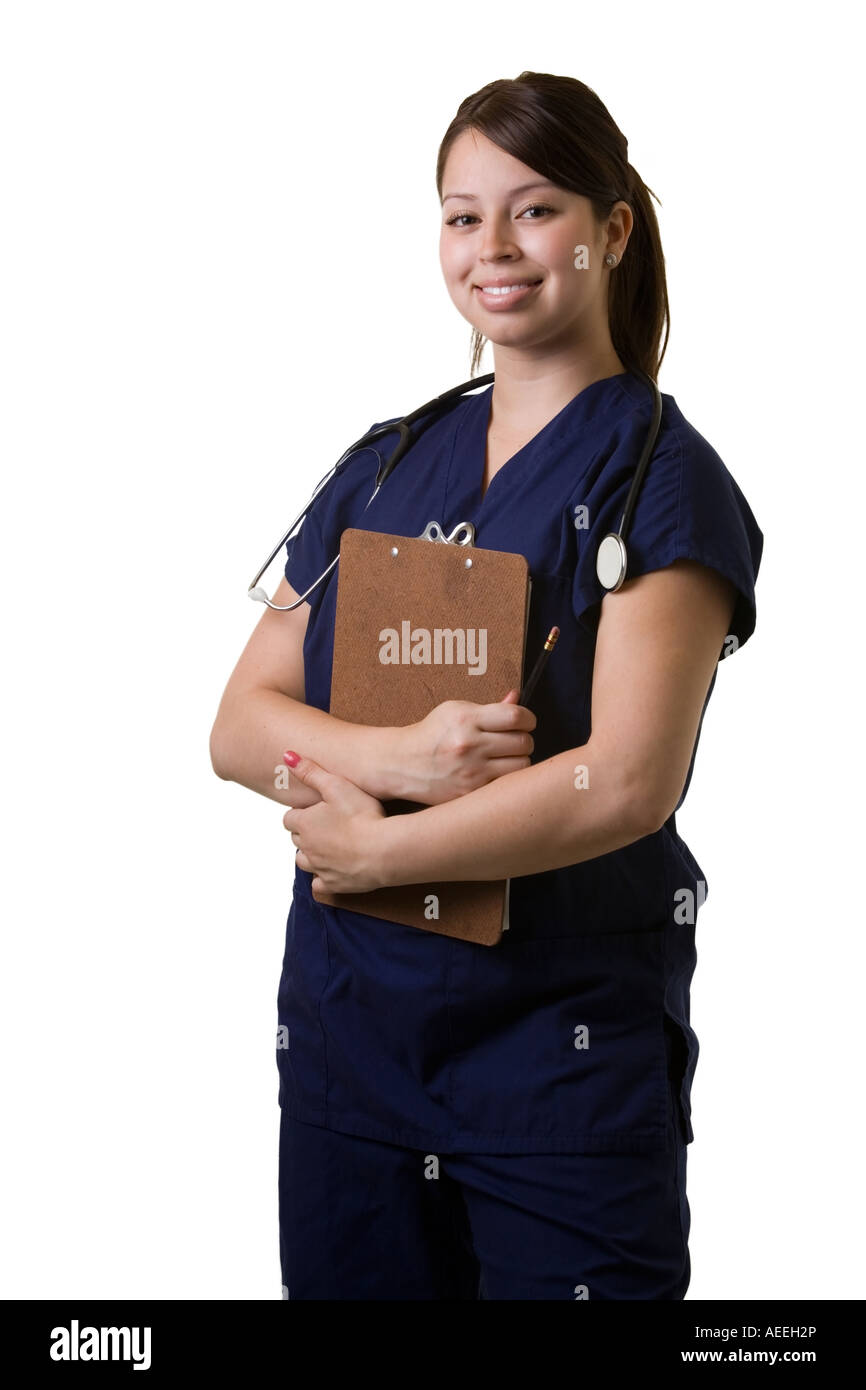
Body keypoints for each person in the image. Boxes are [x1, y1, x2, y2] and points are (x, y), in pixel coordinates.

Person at [210, 71, 764, 1301]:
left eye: (535, 209)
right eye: (462, 216)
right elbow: (240, 725)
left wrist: (383, 853)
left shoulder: (658, 482)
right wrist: (399, 764)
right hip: (353, 1049)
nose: (493, 250)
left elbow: (620, 780)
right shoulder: (383, 463)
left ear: (611, 230)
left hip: (554, 1069)